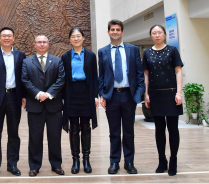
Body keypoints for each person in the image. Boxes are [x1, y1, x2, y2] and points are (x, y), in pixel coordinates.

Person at [97, 19, 145, 174]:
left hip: (128, 95)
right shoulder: (102, 51)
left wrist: (139, 91)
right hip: (112, 97)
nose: (115, 32)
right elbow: (101, 76)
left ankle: (129, 162)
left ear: (122, 32)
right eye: (112, 30)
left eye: (118, 29)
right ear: (108, 32)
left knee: (129, 131)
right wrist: (102, 94)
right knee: (114, 132)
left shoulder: (133, 50)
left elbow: (139, 73)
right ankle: (114, 162)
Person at [0, 27, 26, 177]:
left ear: (14, 38)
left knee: (13, 133)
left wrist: (24, 96)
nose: (6, 38)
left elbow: (23, 78)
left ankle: (12, 164)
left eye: (9, 36)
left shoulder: (21, 55)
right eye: (4, 36)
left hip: (14, 97)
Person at [143, 24, 184, 176]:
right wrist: (146, 94)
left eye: (160, 32)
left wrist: (179, 93)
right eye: (154, 33)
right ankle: (162, 160)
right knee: (159, 129)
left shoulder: (172, 50)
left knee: (173, 129)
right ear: (151, 36)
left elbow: (178, 71)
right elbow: (146, 75)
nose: (157, 35)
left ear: (165, 34)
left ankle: (173, 160)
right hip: (155, 95)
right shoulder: (147, 53)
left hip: (171, 94)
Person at [21, 35, 65, 177]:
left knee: (55, 137)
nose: (41, 44)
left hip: (54, 105)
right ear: (34, 45)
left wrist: (49, 94)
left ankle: (56, 165)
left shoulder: (57, 61)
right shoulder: (27, 62)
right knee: (35, 138)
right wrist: (38, 93)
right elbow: (25, 80)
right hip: (35, 106)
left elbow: (61, 79)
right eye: (39, 42)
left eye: (44, 42)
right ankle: (34, 166)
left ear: (48, 44)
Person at [61, 27, 99, 174]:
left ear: (83, 38)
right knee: (74, 128)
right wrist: (63, 97)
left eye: (78, 36)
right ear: (70, 39)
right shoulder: (65, 56)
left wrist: (95, 95)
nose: (76, 39)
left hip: (86, 93)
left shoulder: (90, 55)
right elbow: (63, 79)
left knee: (86, 127)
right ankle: (75, 160)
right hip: (71, 94)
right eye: (73, 36)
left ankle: (86, 159)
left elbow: (94, 77)